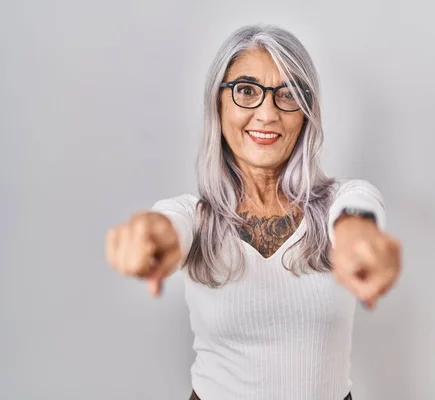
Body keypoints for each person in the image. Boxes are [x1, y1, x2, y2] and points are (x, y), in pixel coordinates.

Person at [105, 24, 402, 400]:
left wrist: (359, 235)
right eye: (246, 91)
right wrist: (148, 235)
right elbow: (165, 226)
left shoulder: (340, 201)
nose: (266, 114)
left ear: (306, 113)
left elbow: (358, 211)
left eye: (288, 95)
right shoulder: (195, 217)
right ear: (219, 103)